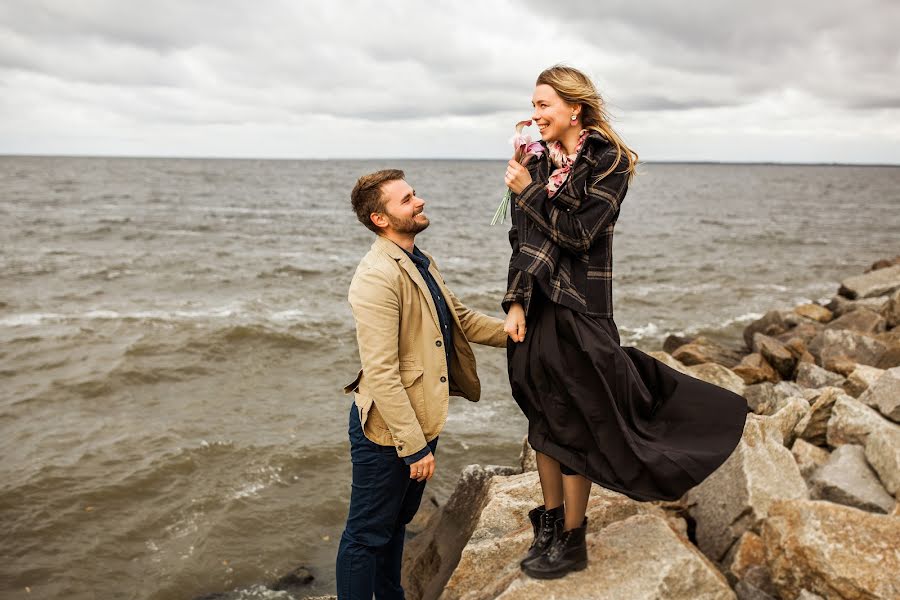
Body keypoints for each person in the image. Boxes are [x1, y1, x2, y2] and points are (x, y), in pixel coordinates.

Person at [501, 65, 747, 579]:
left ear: (575, 108)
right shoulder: (536, 158)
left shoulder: (608, 160)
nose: (534, 114)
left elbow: (579, 233)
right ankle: (547, 524)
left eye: (544, 104)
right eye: (534, 104)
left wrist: (528, 191)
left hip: (582, 305)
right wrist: (516, 302)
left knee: (578, 416)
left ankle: (572, 537)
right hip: (538, 304)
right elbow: (522, 241)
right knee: (541, 414)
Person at [337, 169, 508, 599]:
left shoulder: (420, 260)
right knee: (365, 535)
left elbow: (460, 318)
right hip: (388, 432)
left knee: (396, 525)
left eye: (414, 194)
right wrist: (412, 445)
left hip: (420, 419)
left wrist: (518, 333)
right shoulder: (376, 276)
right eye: (407, 199)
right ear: (381, 219)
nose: (420, 202)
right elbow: (381, 371)